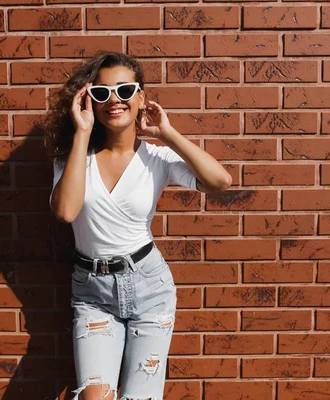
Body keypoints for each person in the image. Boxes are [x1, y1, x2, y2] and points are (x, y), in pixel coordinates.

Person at [45, 52, 232, 400]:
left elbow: (220, 181)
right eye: (101, 93)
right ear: (90, 102)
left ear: (142, 97)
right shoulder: (71, 158)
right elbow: (66, 212)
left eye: (125, 90)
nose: (114, 100)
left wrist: (167, 132)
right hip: (92, 294)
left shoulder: (157, 158)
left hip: (149, 289)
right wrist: (82, 133)